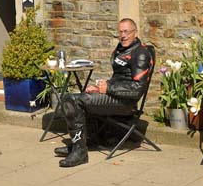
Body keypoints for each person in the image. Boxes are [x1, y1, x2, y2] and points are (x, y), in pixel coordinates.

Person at [56, 18, 151, 167]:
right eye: (120, 32)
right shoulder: (121, 49)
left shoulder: (140, 53)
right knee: (75, 96)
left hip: (125, 103)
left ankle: (80, 152)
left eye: (127, 32)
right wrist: (100, 88)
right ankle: (85, 142)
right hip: (115, 95)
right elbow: (118, 79)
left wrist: (108, 89)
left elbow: (137, 89)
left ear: (135, 33)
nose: (123, 35)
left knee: (72, 100)